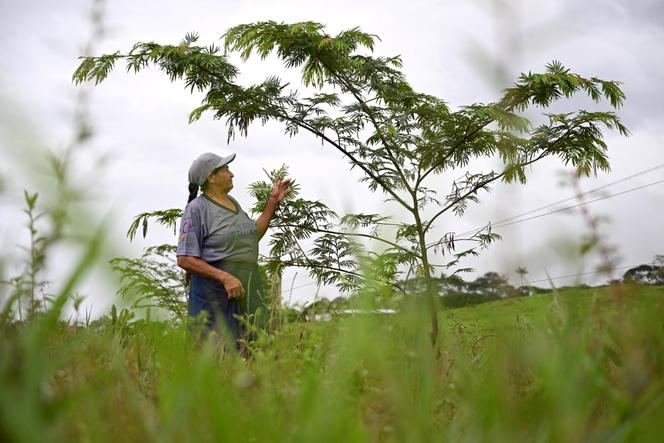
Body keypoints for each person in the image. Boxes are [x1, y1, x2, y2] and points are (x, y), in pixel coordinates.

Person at [176, 152, 292, 346]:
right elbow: (185, 259)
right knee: (218, 353)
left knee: (255, 349)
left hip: (246, 286)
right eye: (226, 169)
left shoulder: (234, 204)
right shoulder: (197, 209)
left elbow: (252, 237)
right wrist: (225, 278)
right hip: (216, 292)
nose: (232, 174)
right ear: (211, 177)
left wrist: (272, 202)